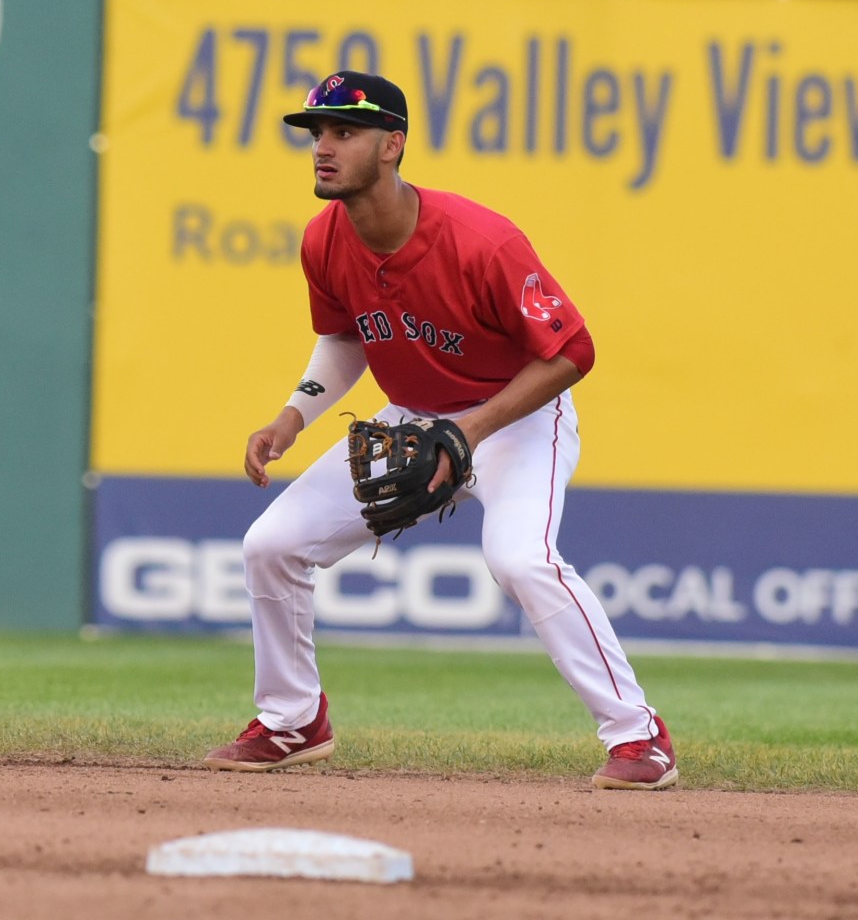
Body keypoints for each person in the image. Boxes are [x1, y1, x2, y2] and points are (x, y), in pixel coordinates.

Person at [204, 71, 678, 790]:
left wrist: (473, 430)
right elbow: (344, 339)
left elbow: (573, 353)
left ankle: (639, 736)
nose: (323, 148)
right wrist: (292, 415)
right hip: (410, 421)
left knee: (521, 561)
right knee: (271, 545)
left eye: (345, 132)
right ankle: (293, 721)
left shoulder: (480, 241)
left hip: (517, 420)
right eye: (317, 133)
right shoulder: (324, 240)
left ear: (392, 145)